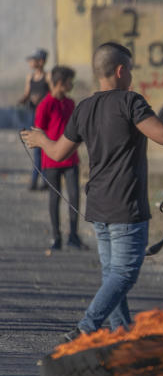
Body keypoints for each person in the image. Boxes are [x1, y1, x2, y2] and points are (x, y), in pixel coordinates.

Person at [21, 42, 163, 341]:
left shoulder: (84, 107)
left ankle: (121, 337)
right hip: (126, 208)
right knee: (124, 275)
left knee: (113, 276)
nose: (132, 76)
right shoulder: (130, 102)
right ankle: (86, 328)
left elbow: (58, 152)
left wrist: (40, 139)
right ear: (121, 71)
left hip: (97, 207)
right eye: (132, 70)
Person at [34, 65, 86, 251]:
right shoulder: (45, 105)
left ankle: (73, 235)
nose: (71, 85)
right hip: (51, 161)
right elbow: (38, 133)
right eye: (68, 82)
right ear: (59, 83)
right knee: (54, 198)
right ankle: (56, 237)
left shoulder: (70, 103)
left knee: (74, 197)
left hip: (71, 160)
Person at [17, 48, 50, 191]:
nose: (31, 62)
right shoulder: (30, 78)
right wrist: (23, 100)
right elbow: (26, 94)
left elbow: (52, 95)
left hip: (45, 117)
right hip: (33, 116)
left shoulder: (48, 77)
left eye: (33, 60)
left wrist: (41, 100)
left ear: (41, 61)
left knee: (44, 148)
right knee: (36, 148)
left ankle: (40, 180)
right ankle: (39, 180)